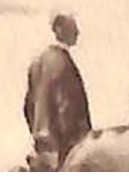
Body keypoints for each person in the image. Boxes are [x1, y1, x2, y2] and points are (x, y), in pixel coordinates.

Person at [25, 13, 93, 164]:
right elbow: (68, 111)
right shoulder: (63, 64)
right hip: (63, 151)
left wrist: (37, 131)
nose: (77, 32)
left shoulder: (37, 62)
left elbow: (28, 106)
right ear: (59, 29)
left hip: (41, 146)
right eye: (73, 27)